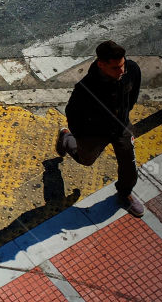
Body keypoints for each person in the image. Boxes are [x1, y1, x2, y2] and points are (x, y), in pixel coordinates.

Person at [56, 40, 144, 217]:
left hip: (121, 127)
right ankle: (67, 138)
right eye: (115, 68)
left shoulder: (131, 69)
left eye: (122, 65)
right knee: (86, 160)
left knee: (129, 165)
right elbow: (72, 113)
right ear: (101, 64)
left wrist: (125, 114)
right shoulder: (85, 89)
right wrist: (81, 135)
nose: (121, 71)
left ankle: (124, 193)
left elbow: (133, 93)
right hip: (93, 134)